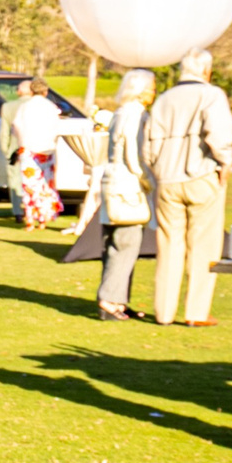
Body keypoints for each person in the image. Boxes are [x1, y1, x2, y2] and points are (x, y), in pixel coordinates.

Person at [141, 48, 232, 326]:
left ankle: (164, 312)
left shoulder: (164, 99)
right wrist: (225, 162)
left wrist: (156, 170)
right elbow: (218, 134)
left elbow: (149, 144)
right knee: (203, 245)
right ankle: (195, 312)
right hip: (201, 175)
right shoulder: (211, 95)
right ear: (206, 70)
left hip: (167, 180)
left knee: (169, 245)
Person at [96, 69, 154, 318]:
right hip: (127, 185)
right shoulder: (135, 114)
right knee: (127, 243)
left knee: (114, 243)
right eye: (151, 88)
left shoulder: (120, 112)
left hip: (112, 181)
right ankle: (109, 300)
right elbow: (133, 151)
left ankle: (118, 299)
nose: (153, 93)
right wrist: (145, 177)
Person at [3, 74, 65, 229]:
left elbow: (16, 126)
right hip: (47, 151)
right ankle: (43, 218)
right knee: (45, 184)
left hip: (28, 150)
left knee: (29, 185)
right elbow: (56, 128)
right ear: (45, 91)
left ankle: (30, 218)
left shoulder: (25, 106)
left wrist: (23, 141)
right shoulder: (51, 107)